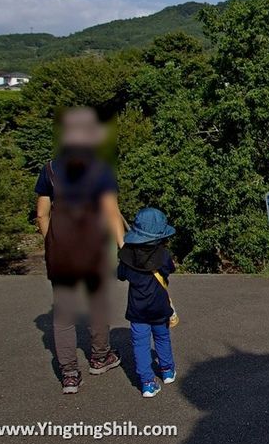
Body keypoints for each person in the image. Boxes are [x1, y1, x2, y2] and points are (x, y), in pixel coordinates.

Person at [35, 107, 125, 395]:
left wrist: (53, 241)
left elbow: (41, 214)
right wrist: (125, 248)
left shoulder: (49, 169)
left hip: (61, 250)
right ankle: (100, 357)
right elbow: (111, 213)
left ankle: (70, 375)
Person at [118, 207, 178, 398]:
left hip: (137, 310)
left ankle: (147, 384)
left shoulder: (127, 255)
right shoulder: (163, 255)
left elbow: (120, 275)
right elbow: (170, 270)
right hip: (159, 307)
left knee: (140, 344)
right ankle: (167, 371)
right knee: (162, 338)